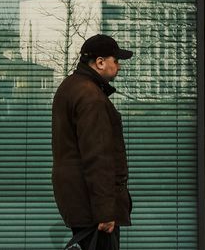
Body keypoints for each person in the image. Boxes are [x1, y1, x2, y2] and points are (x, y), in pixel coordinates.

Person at [51, 34, 134, 249]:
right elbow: (98, 158)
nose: (119, 67)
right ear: (100, 62)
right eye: (116, 61)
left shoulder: (70, 87)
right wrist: (106, 212)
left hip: (80, 202)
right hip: (93, 211)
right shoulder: (91, 97)